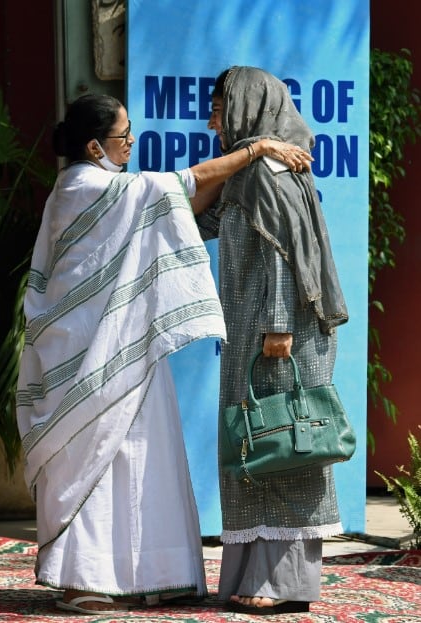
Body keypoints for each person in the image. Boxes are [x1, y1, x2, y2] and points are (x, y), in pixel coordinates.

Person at [15, 93, 310, 615]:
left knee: (146, 455)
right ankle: (83, 579)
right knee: (96, 460)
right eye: (123, 137)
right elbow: (182, 183)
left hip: (123, 346)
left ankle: (159, 571)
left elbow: (174, 200)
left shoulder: (101, 187)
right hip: (87, 358)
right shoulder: (86, 187)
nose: (131, 143)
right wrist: (257, 148)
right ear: (93, 145)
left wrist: (236, 168)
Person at [194, 66, 349, 615]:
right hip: (251, 330)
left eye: (219, 109)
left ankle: (283, 586)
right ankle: (256, 575)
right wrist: (249, 150)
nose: (213, 121)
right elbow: (194, 217)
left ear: (246, 107)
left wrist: (279, 326)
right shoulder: (250, 168)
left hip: (278, 335)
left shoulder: (268, 175)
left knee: (286, 449)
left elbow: (286, 256)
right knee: (254, 448)